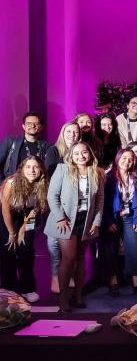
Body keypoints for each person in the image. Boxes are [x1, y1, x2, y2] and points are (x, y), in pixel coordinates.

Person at [45, 142, 105, 312]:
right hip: (66, 221)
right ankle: (63, 299)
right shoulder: (62, 170)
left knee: (80, 259)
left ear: (90, 153)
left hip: (86, 220)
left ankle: (78, 296)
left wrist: (96, 222)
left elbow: (100, 201)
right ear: (71, 155)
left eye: (84, 152)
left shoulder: (97, 172)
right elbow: (52, 196)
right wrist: (60, 217)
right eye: (76, 153)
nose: (80, 156)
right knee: (69, 259)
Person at [0, 157, 48, 303]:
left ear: (41, 170)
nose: (32, 170)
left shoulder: (42, 183)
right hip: (7, 215)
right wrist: (12, 233)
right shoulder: (11, 183)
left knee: (27, 250)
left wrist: (22, 230)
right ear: (22, 169)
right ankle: (9, 290)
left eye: (35, 167)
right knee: (8, 251)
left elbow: (35, 210)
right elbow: (6, 209)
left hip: (27, 216)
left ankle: (27, 289)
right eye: (28, 167)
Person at [100, 149, 137, 296]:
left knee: (135, 247)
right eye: (124, 158)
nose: (127, 161)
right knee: (111, 249)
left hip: (130, 217)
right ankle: (113, 282)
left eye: (130, 159)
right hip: (112, 217)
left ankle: (136, 283)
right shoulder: (108, 177)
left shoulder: (136, 178)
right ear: (118, 159)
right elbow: (102, 202)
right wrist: (108, 221)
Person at [0, 111, 49, 181]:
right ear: (23, 126)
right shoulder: (10, 142)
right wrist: (2, 183)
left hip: (37, 188)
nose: (33, 126)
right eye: (29, 123)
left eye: (36, 123)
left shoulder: (46, 146)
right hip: (13, 187)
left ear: (41, 127)